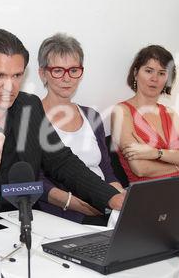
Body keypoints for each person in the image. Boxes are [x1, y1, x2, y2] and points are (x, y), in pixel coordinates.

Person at [0, 29, 124, 235]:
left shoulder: (29, 106)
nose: (9, 86)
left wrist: (111, 197)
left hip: (25, 227)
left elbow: (62, 161)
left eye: (17, 75)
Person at [37, 33, 124, 224]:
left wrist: (119, 196)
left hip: (105, 204)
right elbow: (36, 181)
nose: (67, 78)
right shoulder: (34, 118)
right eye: (58, 70)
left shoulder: (91, 116)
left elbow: (106, 170)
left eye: (74, 70)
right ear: (43, 73)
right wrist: (73, 202)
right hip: (64, 214)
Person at [110, 45, 179, 183]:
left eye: (161, 73)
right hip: (148, 194)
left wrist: (155, 153)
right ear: (136, 73)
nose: (155, 78)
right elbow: (140, 168)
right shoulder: (122, 111)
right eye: (149, 71)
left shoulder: (170, 113)